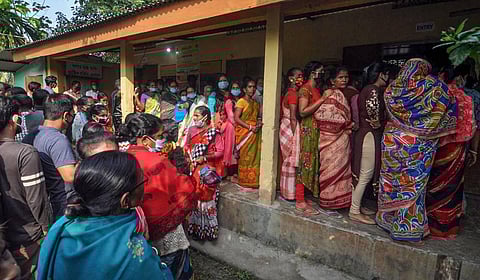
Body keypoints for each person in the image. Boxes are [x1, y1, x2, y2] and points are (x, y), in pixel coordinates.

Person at [36, 151, 174, 280]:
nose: (144, 185)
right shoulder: (132, 252)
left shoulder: (61, 227)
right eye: (142, 181)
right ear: (125, 200)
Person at [377, 58, 460, 243]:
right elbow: (451, 102)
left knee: (392, 178)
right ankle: (408, 226)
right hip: (418, 143)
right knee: (413, 183)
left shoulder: (393, 88)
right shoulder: (435, 87)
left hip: (393, 140)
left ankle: (388, 218)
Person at [122, 113, 212, 280]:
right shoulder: (156, 161)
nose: (161, 140)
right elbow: (183, 187)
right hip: (167, 235)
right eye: (158, 136)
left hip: (137, 233)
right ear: (145, 139)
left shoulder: (122, 158)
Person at [0, 96, 52, 279]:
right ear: (14, 120)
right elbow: (37, 201)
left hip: (5, 242)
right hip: (27, 237)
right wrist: (48, 230)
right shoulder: (24, 153)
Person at [424, 66, 476, 239]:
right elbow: (472, 127)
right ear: (460, 77)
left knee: (431, 183)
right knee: (452, 187)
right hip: (458, 148)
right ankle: (447, 228)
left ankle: (428, 223)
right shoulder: (466, 98)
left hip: (436, 146)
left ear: (441, 75)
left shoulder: (435, 95)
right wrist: (473, 150)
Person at [23, 94, 77, 218]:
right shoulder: (58, 140)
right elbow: (70, 176)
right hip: (61, 203)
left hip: (43, 201)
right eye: (72, 115)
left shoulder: (31, 136)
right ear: (65, 116)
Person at [350, 62, 389, 224]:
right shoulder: (373, 90)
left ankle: (358, 206)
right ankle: (354, 211)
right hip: (369, 134)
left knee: (364, 172)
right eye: (387, 74)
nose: (388, 78)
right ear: (381, 74)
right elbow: (374, 114)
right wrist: (379, 123)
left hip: (365, 134)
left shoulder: (367, 89)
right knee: (365, 173)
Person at [314, 66, 353, 211]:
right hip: (331, 139)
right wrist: (348, 125)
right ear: (332, 80)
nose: (344, 80)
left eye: (346, 77)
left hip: (340, 139)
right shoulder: (331, 95)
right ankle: (329, 200)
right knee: (330, 168)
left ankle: (339, 200)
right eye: (340, 77)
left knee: (339, 168)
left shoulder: (341, 95)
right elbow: (324, 117)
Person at [184, 106, 223, 241]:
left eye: (197, 116)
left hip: (207, 170)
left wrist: (205, 157)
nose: (194, 119)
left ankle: (208, 232)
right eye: (194, 115)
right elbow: (186, 146)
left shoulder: (213, 133)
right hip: (194, 169)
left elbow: (220, 151)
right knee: (195, 197)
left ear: (205, 117)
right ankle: (195, 229)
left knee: (206, 198)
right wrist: (188, 157)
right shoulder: (191, 130)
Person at [296, 61, 327, 199]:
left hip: (316, 128)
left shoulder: (316, 90)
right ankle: (300, 198)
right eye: (320, 71)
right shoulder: (305, 89)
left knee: (313, 160)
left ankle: (308, 194)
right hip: (308, 128)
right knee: (305, 161)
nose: (322, 74)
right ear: (313, 73)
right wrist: (322, 100)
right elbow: (302, 112)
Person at [279, 68, 307, 208]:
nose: (301, 78)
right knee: (291, 160)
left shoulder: (291, 93)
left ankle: (287, 192)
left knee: (288, 161)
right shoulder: (292, 94)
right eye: (299, 76)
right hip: (290, 127)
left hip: (286, 126)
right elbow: (293, 117)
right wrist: (298, 136)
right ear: (291, 78)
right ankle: (290, 193)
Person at [234, 78, 262, 189]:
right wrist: (250, 127)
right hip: (245, 133)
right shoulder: (241, 102)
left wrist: (258, 123)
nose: (253, 89)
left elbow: (257, 117)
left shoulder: (255, 103)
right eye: (250, 87)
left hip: (255, 133)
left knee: (255, 157)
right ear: (244, 89)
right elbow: (237, 118)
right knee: (246, 157)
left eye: (254, 87)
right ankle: (244, 180)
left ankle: (253, 180)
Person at [217, 81, 241, 181]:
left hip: (239, 126)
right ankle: (231, 173)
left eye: (237, 88)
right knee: (231, 148)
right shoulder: (229, 101)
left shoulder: (240, 100)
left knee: (237, 148)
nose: (235, 90)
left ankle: (235, 172)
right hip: (232, 127)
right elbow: (231, 115)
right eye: (233, 88)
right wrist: (237, 125)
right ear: (231, 90)